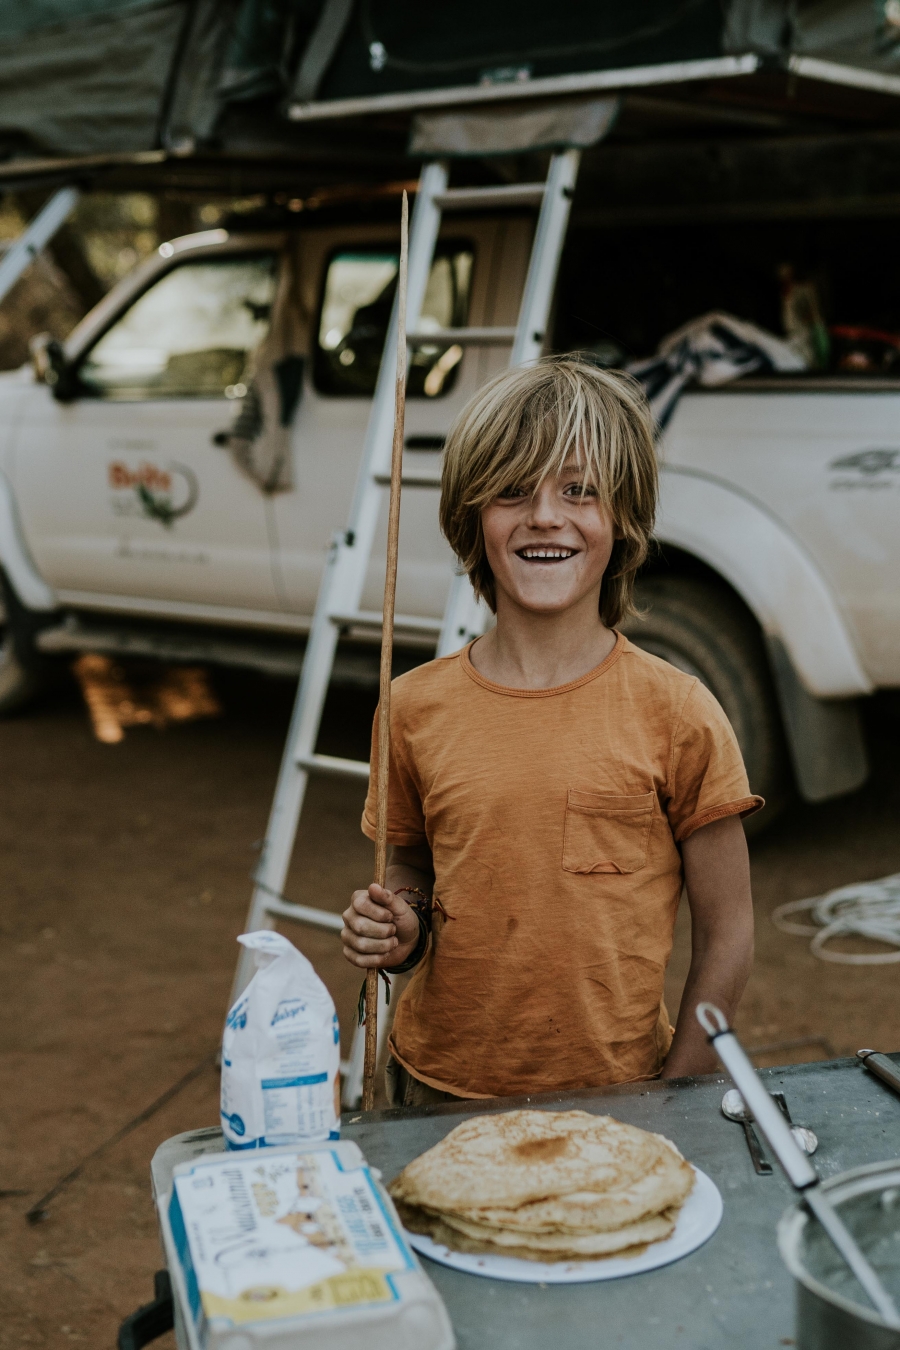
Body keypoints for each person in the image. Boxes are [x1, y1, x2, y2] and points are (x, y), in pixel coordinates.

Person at [341, 358, 760, 1108]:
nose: (544, 516)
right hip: (433, 1092)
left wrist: (679, 1098)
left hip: (622, 1093)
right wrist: (398, 927)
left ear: (622, 516)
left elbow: (728, 933)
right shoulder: (410, 708)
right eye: (511, 491)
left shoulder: (679, 711)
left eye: (579, 490)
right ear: (471, 518)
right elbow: (412, 871)